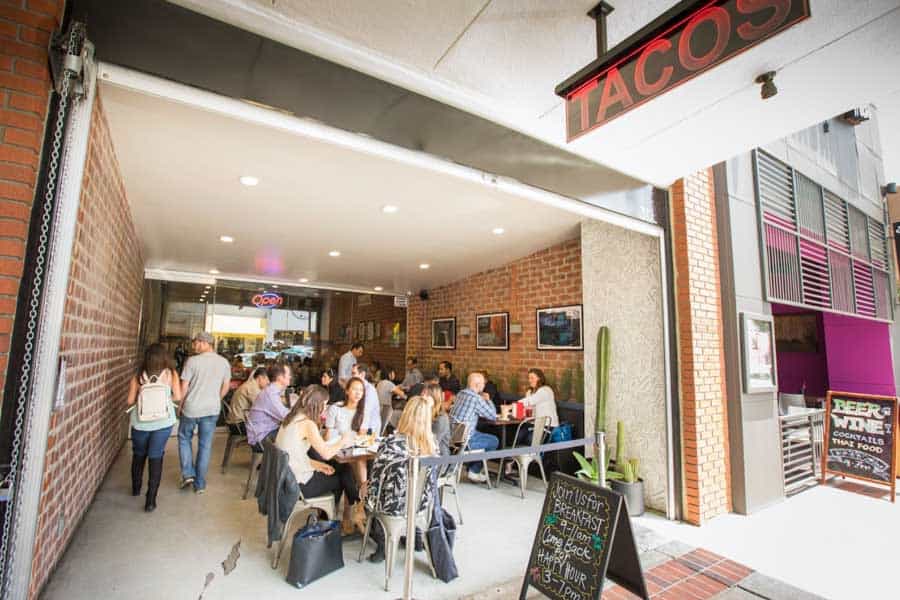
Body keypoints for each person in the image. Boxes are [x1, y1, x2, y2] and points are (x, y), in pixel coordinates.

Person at [275, 385, 366, 535]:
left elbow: (295, 454)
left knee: (340, 470)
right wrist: (344, 440)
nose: (324, 409)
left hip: (285, 479)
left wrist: (318, 465)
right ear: (316, 405)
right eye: (324, 405)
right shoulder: (307, 424)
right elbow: (327, 453)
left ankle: (337, 515)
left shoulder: (292, 418)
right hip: (298, 485)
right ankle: (352, 510)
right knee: (343, 475)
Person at [364, 395, 437, 563]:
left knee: (367, 494)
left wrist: (364, 488)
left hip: (392, 506)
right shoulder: (432, 445)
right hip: (420, 505)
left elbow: (376, 482)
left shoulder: (391, 443)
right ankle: (416, 538)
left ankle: (382, 545)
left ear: (405, 414)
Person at [126, 344, 182, 512]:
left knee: (139, 455)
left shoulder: (138, 376)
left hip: (141, 423)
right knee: (156, 456)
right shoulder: (171, 374)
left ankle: (136, 488)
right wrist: (165, 397)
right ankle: (150, 500)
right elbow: (178, 396)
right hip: (163, 423)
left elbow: (129, 401)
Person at [178, 331, 231, 494]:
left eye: (196, 343)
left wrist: (180, 404)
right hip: (211, 409)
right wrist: (216, 399)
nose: (194, 346)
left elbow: (184, 386)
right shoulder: (223, 363)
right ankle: (200, 484)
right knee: (205, 446)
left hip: (192, 407)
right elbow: (226, 386)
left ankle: (188, 474)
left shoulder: (192, 361)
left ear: (204, 343)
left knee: (184, 438)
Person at [449, 372, 499, 483]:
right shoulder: (476, 398)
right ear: (477, 385)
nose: (484, 386)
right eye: (483, 384)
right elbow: (492, 416)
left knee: (480, 433)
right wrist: (488, 400)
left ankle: (471, 468)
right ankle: (474, 471)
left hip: (453, 437)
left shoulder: (460, 394)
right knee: (494, 441)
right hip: (465, 441)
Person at [246, 363, 293, 446]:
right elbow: (286, 417)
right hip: (261, 436)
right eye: (288, 374)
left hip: (265, 430)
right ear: (280, 377)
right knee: (297, 433)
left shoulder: (271, 391)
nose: (290, 377)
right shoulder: (270, 394)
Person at [226, 366, 268, 435]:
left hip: (236, 422)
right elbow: (262, 407)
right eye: (267, 380)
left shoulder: (251, 385)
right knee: (273, 426)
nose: (268, 383)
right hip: (238, 425)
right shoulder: (252, 387)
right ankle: (261, 445)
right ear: (260, 378)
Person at [325, 377, 367, 441]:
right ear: (347, 391)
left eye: (361, 390)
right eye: (355, 389)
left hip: (354, 448)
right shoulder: (335, 408)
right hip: (335, 447)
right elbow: (327, 436)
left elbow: (362, 438)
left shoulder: (363, 411)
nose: (358, 393)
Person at [352, 362, 382, 435]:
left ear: (362, 374)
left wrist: (360, 434)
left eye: (353, 373)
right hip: (357, 425)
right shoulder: (355, 387)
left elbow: (366, 413)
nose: (351, 376)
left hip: (369, 429)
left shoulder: (369, 391)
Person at [423, 382, 451, 457]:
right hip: (426, 452)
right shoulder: (427, 413)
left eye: (426, 395)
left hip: (438, 459)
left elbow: (432, 444)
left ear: (434, 398)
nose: (422, 397)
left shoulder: (441, 418)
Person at [376, 367, 397, 432]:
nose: (394, 375)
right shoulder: (389, 383)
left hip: (378, 405)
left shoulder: (380, 382)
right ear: (389, 374)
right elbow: (401, 394)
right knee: (383, 425)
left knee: (379, 424)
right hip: (385, 407)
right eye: (393, 373)